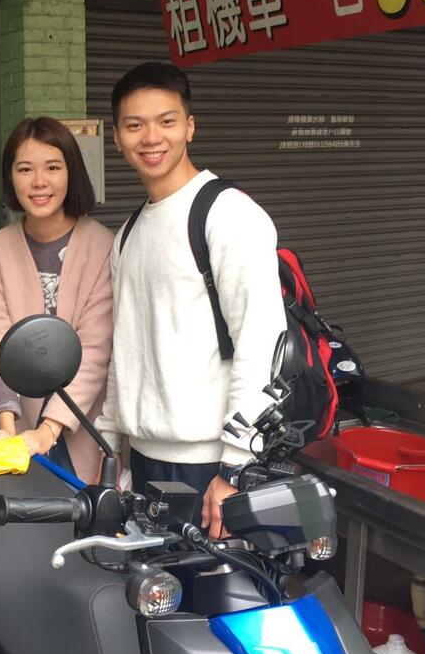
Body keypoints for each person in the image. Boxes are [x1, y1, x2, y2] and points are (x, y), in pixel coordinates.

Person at [94, 62, 285, 538]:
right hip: (143, 459)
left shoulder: (227, 213)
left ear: (190, 127)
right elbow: (125, 347)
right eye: (134, 125)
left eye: (167, 121)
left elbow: (262, 341)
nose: (151, 138)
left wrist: (236, 468)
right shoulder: (127, 234)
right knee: (154, 584)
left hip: (211, 466)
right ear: (116, 137)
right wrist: (112, 444)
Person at [0, 117, 113, 484]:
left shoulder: (103, 246)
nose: (39, 182)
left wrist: (48, 431)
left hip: (85, 427)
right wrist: (8, 429)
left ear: (71, 172)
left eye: (52, 167)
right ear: (10, 177)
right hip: (22, 426)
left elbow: (95, 350)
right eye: (25, 169)